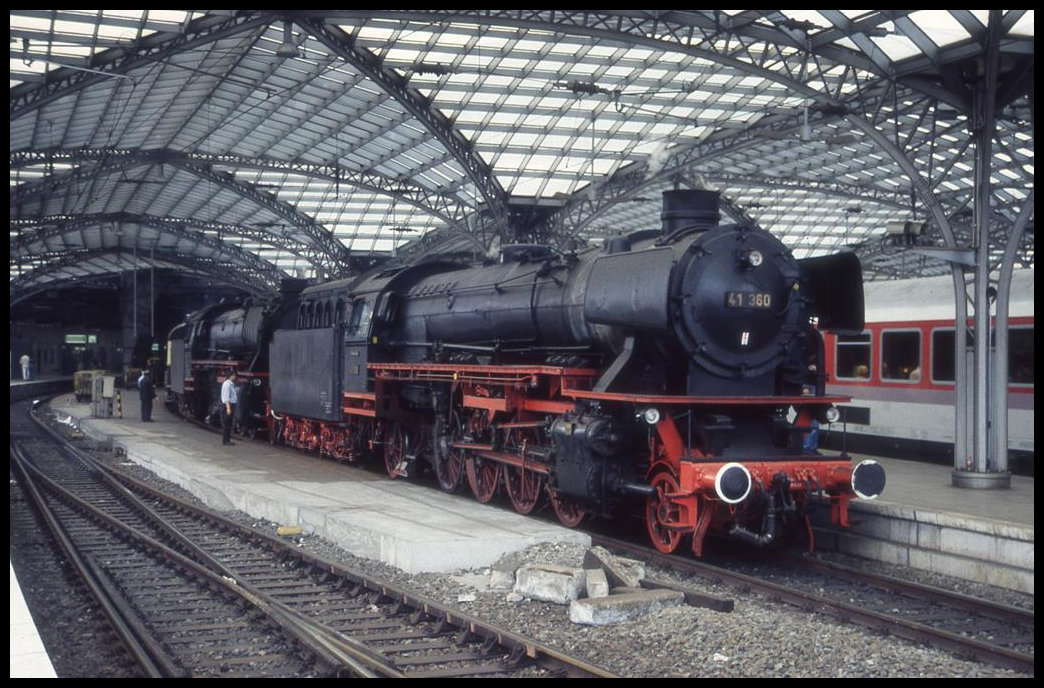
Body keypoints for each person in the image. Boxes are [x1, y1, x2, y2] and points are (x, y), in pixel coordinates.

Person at [220, 369, 239, 446]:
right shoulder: (227, 384)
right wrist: (228, 408)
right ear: (231, 375)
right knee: (227, 424)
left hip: (230, 405)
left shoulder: (230, 384)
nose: (235, 377)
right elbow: (226, 397)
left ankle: (227, 440)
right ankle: (226, 441)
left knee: (228, 424)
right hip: (228, 405)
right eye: (234, 375)